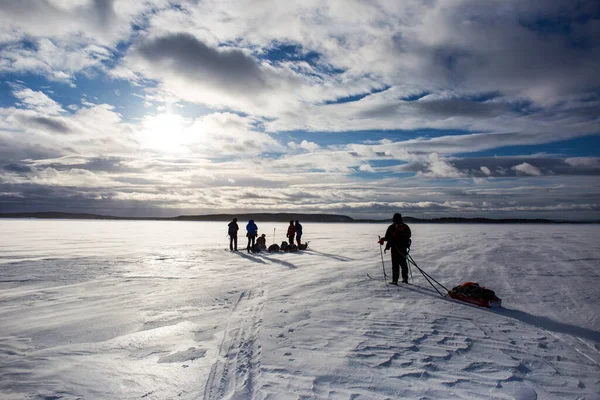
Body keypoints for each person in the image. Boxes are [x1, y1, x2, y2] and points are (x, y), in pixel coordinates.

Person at [378, 213, 412, 285]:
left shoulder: (392, 227)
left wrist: (382, 239)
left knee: (395, 264)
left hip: (395, 248)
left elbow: (388, 237)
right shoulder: (405, 226)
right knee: (403, 264)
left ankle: (395, 280)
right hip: (403, 248)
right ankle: (405, 279)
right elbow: (409, 235)